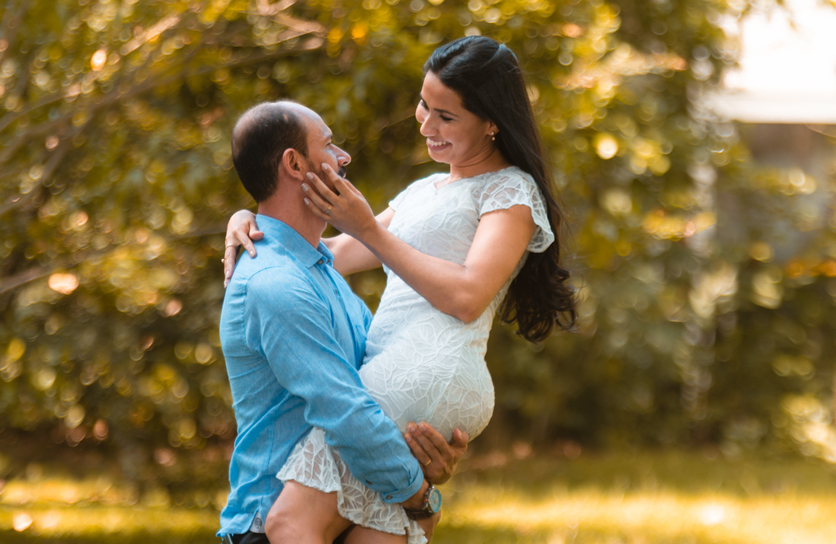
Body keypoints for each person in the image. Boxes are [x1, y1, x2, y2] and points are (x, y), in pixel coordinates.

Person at [224, 36, 576, 544]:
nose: (427, 125)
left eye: (447, 117)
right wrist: (248, 217)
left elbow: (469, 294)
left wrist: (371, 230)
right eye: (424, 106)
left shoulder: (510, 190)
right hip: (399, 362)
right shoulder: (424, 190)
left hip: (431, 361)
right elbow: (329, 255)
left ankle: (418, 505)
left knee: (290, 522)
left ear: (492, 120)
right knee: (377, 528)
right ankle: (417, 509)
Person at [219, 100, 468, 544]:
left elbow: (374, 384)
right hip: (274, 524)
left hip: (346, 509)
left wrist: (427, 449)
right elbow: (344, 409)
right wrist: (420, 495)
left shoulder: (320, 271)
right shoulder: (275, 282)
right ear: (294, 164)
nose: (343, 157)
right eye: (330, 145)